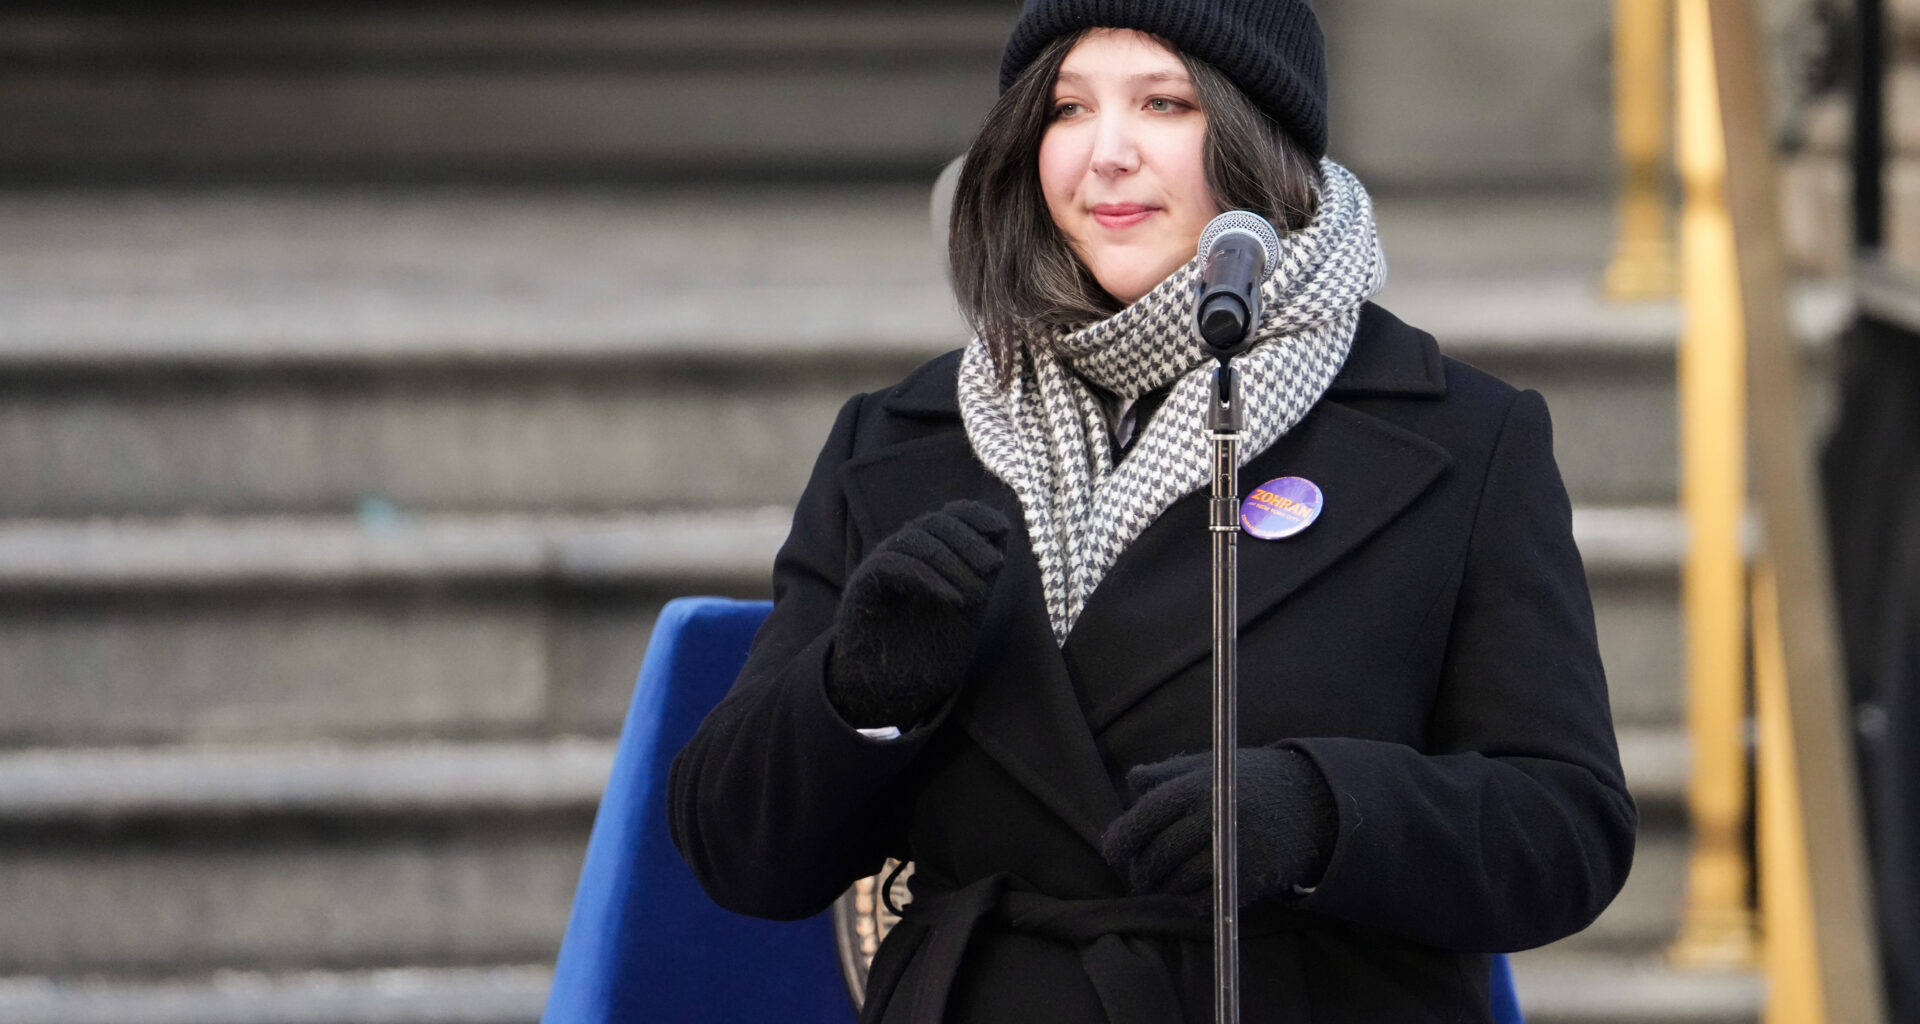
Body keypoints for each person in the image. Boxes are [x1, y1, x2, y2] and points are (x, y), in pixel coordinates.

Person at [669, 1, 1638, 1021]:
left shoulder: (1462, 438)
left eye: (1164, 103)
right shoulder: (898, 440)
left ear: (1260, 140)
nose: (1106, 156)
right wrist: (855, 697)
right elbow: (737, 855)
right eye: (1066, 109)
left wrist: (1325, 813)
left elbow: (1566, 830)